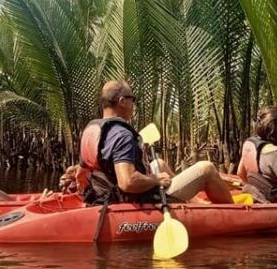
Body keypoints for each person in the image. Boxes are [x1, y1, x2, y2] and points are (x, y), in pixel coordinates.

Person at [77, 81, 234, 205]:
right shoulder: (122, 134)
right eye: (133, 99)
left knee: (158, 163)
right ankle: (235, 214)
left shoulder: (92, 131)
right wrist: (155, 179)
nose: (134, 105)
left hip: (106, 195)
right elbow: (127, 182)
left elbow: (80, 175)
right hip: (136, 198)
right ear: (122, 101)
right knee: (206, 168)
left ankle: (193, 202)